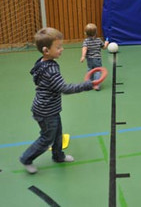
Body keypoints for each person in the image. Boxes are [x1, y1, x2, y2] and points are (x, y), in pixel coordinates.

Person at [20, 27, 98, 174]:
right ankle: (26, 158)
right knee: (47, 138)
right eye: (58, 47)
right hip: (45, 111)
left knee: (57, 134)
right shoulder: (50, 70)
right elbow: (64, 88)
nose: (62, 49)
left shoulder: (42, 63)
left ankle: (58, 156)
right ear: (46, 50)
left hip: (50, 109)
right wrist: (86, 85)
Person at [80, 23, 109, 90]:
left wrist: (83, 56)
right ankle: (96, 84)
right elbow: (104, 48)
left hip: (89, 59)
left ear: (85, 33)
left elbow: (84, 48)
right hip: (97, 59)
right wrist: (106, 43)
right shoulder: (98, 40)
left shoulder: (86, 41)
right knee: (97, 71)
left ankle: (88, 84)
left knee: (90, 70)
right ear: (96, 33)